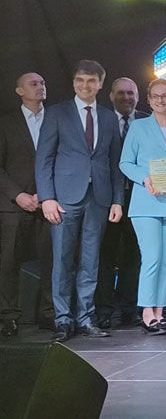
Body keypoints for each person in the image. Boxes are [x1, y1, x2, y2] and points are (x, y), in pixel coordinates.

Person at [36, 60, 125, 342]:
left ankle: (86, 318)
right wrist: (47, 198)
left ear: (100, 84)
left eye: (91, 81)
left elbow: (114, 163)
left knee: (91, 261)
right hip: (64, 198)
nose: (85, 86)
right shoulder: (57, 113)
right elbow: (44, 158)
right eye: (80, 80)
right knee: (62, 260)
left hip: (98, 198)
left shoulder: (108, 117)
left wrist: (118, 200)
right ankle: (63, 319)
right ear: (74, 82)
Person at [118, 79, 166, 335]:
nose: (160, 100)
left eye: (165, 95)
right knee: (152, 258)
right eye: (155, 96)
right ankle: (147, 312)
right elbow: (125, 163)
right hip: (146, 202)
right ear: (148, 99)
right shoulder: (138, 127)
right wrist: (145, 178)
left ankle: (160, 311)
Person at [0, 72, 53, 336]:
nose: (40, 87)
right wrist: (18, 195)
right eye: (33, 84)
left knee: (51, 261)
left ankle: (48, 313)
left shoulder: (55, 119)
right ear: (19, 91)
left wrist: (47, 194)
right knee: (8, 262)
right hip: (13, 205)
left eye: (42, 83)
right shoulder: (6, 123)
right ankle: (8, 316)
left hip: (48, 202)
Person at [95, 77, 147, 329]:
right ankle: (104, 310)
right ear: (111, 95)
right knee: (106, 253)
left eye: (131, 93)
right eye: (121, 93)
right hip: (106, 198)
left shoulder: (147, 121)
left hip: (140, 196)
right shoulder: (101, 120)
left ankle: (130, 308)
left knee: (135, 254)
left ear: (138, 96)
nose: (126, 97)